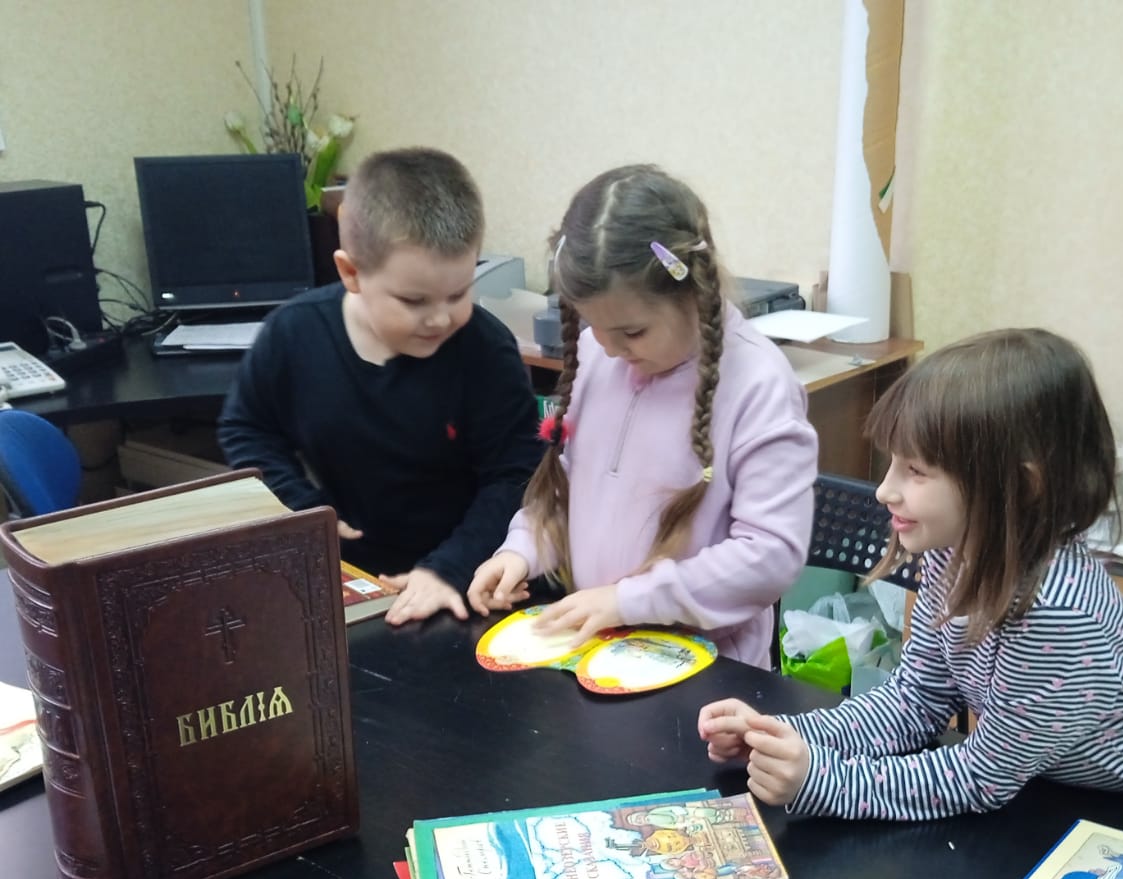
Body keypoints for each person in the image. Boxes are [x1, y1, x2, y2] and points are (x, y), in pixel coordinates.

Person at [697, 328, 1123, 836]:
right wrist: (780, 735)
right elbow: (914, 702)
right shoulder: (952, 552)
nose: (885, 490)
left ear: (1019, 487)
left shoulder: (1056, 614)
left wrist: (821, 780)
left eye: (916, 470)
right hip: (1096, 807)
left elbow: (981, 778)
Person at [466, 164, 817, 668]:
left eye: (632, 332)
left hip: (706, 674)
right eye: (593, 326)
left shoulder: (760, 386)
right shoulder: (599, 355)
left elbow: (770, 555)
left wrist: (628, 601)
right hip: (599, 652)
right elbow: (570, 484)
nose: (610, 349)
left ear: (692, 292)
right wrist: (521, 550)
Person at [217, 147, 542, 625]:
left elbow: (515, 476)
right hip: (352, 580)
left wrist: (448, 569)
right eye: (413, 300)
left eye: (458, 293)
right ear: (351, 273)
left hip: (470, 580)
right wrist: (304, 511)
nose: (440, 318)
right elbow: (247, 429)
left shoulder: (485, 350)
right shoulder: (294, 333)